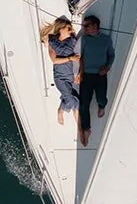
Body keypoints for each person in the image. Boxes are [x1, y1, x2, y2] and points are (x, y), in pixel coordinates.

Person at [77, 14, 115, 146]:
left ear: (95, 26)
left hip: (100, 74)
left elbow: (111, 55)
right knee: (84, 104)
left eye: (86, 26)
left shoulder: (106, 39)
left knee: (101, 98)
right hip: (86, 75)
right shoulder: (85, 39)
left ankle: (102, 106)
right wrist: (80, 73)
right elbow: (80, 57)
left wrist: (107, 68)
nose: (84, 28)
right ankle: (86, 129)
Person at [41, 16, 79, 125]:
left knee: (73, 99)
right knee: (72, 101)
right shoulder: (52, 42)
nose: (71, 31)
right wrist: (70, 58)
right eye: (68, 28)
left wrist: (79, 73)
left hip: (70, 77)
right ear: (60, 29)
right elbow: (55, 60)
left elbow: (80, 56)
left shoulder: (72, 41)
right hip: (60, 78)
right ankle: (61, 111)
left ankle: (79, 126)